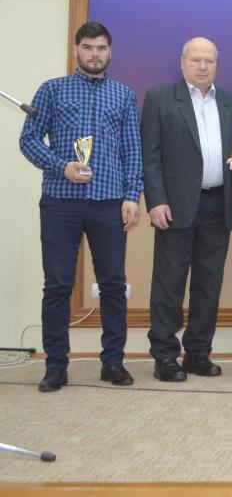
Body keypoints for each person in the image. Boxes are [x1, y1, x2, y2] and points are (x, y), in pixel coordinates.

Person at [20, 21, 143, 392]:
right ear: (77, 50)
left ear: (110, 52)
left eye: (101, 48)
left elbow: (132, 150)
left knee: (113, 285)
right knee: (57, 286)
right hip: (61, 202)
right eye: (88, 47)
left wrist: (132, 196)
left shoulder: (123, 95)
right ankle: (56, 366)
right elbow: (28, 140)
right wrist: (62, 166)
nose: (94, 54)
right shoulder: (52, 90)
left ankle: (113, 362)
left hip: (109, 204)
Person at [140, 37, 232, 382]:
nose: (203, 66)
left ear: (217, 64)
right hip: (174, 206)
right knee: (169, 284)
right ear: (182, 62)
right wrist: (156, 200)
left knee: (208, 284)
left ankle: (198, 354)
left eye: (210, 61)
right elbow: (150, 156)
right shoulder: (160, 99)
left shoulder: (231, 103)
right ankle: (165, 357)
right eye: (196, 60)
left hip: (218, 203)